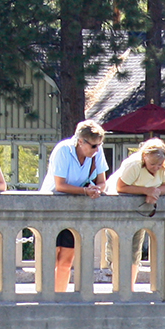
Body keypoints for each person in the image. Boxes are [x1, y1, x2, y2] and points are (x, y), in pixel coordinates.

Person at [40, 120, 109, 291]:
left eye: (99, 145)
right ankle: (45, 296)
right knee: (49, 257)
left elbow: (102, 182)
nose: (97, 150)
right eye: (93, 146)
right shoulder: (63, 150)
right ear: (80, 141)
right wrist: (85, 192)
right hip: (51, 207)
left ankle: (59, 296)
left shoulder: (97, 153)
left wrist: (96, 190)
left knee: (66, 260)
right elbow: (60, 185)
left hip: (75, 209)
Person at [110, 139, 165, 209]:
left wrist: (156, 193)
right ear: (145, 156)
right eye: (152, 164)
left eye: (159, 164)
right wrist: (146, 191)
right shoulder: (134, 165)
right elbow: (120, 187)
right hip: (117, 200)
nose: (156, 167)